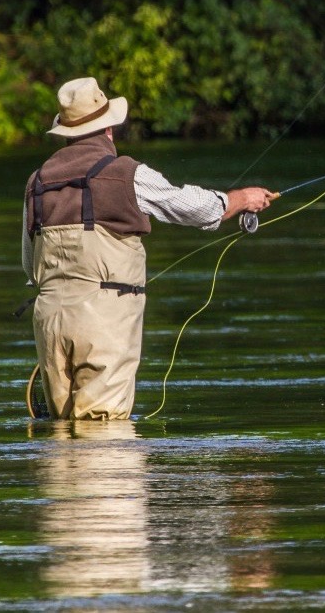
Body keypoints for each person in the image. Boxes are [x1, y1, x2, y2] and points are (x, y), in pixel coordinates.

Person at [22, 77, 275, 420]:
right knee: (104, 431)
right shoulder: (126, 173)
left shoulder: (37, 183)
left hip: (49, 320)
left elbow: (29, 263)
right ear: (108, 129)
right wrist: (240, 199)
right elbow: (190, 207)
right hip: (104, 322)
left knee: (62, 433)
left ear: (65, 132)